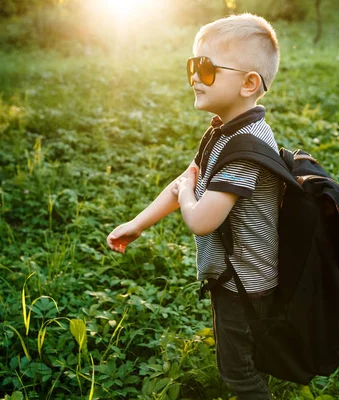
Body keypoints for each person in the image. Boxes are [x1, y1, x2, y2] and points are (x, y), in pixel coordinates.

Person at [107, 13, 281, 399]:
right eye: (192, 65)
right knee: (251, 362)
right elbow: (183, 183)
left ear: (249, 83)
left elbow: (201, 218)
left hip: (244, 287)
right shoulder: (224, 130)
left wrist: (189, 194)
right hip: (238, 281)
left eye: (206, 68)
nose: (193, 76)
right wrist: (138, 223)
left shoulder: (244, 150)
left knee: (238, 374)